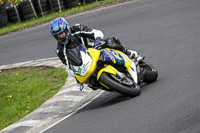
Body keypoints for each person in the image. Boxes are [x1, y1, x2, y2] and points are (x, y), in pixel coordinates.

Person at [50, 17, 142, 78]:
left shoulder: (77, 29)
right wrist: (75, 74)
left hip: (96, 49)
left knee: (110, 41)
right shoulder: (60, 50)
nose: (61, 36)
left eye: (62, 33)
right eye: (58, 35)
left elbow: (96, 32)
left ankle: (129, 53)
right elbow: (68, 66)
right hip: (85, 64)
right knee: (89, 82)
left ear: (67, 28)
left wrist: (98, 39)